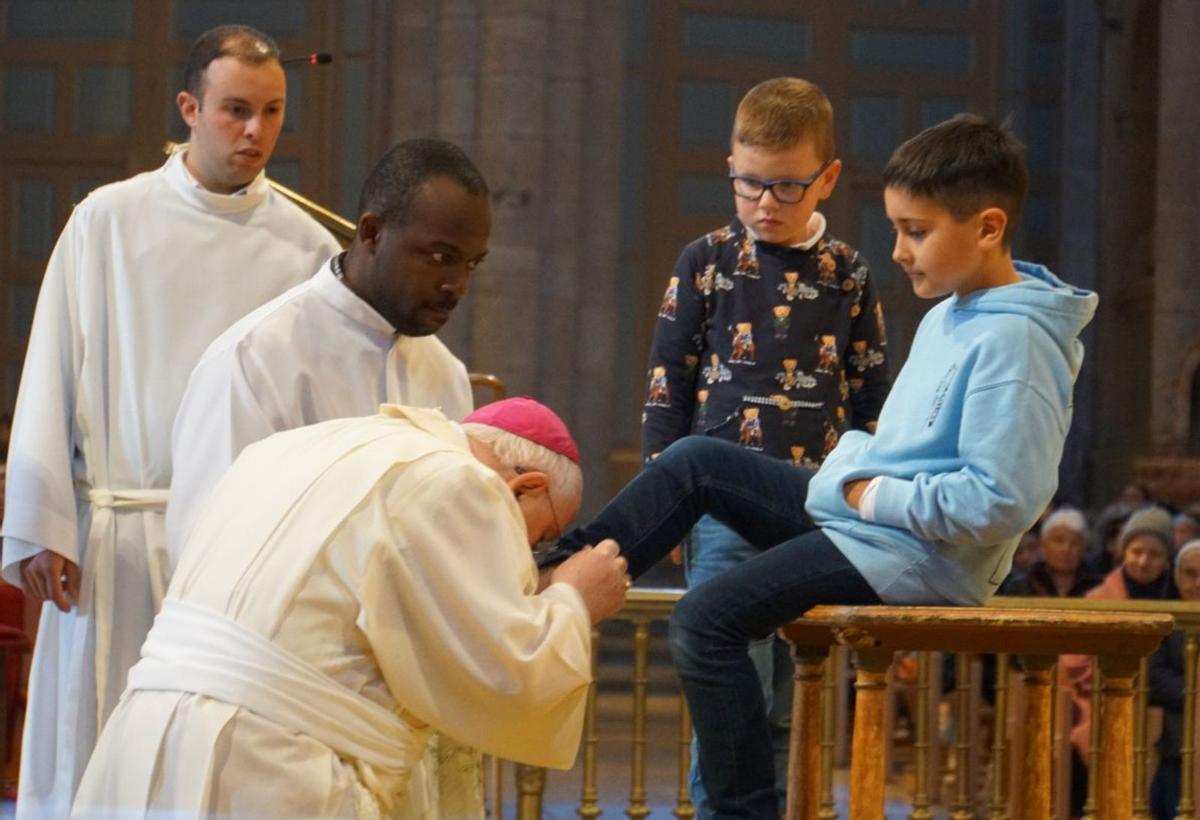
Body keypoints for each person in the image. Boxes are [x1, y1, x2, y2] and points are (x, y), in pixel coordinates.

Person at [541, 114, 1097, 815]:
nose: (897, 250)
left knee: (707, 620)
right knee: (696, 463)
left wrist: (868, 495)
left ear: (987, 227)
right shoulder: (954, 312)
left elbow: (1003, 501)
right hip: (869, 521)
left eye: (916, 231)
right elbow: (892, 446)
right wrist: (858, 480)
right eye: (895, 228)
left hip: (917, 555)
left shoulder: (1018, 341)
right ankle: (553, 569)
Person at [0, 25, 340, 816]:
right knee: (95, 756)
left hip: (234, 558)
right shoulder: (107, 222)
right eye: (234, 110)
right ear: (189, 107)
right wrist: (42, 525)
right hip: (113, 541)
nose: (255, 131)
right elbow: (51, 367)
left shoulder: (306, 251)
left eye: (271, 111)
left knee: (208, 769)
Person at [72, 399, 629, 818]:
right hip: (271, 766)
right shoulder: (460, 481)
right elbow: (503, 672)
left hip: (142, 741)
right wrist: (574, 599)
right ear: (524, 488)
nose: (531, 557)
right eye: (541, 536)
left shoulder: (286, 448)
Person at [639, 77, 889, 815]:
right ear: (730, 168)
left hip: (817, 511)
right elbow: (666, 386)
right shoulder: (706, 260)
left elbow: (870, 400)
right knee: (728, 693)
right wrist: (668, 509)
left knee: (788, 701)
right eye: (750, 184)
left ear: (828, 179)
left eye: (786, 186)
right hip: (720, 510)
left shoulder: (850, 273)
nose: (765, 204)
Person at [166, 137, 488, 564]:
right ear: (372, 233)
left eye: (471, 264)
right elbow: (206, 551)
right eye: (440, 256)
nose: (457, 286)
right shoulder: (255, 359)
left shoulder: (445, 375)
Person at [1062, 505, 1178, 815]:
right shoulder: (1098, 598)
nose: (1143, 561)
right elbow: (1074, 662)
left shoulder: (1177, 601)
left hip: (1159, 707)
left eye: (1154, 553)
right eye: (1136, 550)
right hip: (1100, 697)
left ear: (1167, 560)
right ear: (1123, 552)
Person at [1147, 538, 1200, 820]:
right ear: (1176, 577)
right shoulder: (1166, 620)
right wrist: (1196, 695)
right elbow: (1154, 678)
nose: (1198, 584)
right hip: (1175, 748)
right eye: (1190, 574)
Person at [999, 507, 1102, 597]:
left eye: (1075, 542)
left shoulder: (1099, 586)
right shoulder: (1022, 585)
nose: (1066, 549)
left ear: (1084, 548)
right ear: (1043, 546)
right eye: (1059, 541)